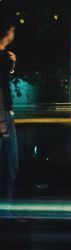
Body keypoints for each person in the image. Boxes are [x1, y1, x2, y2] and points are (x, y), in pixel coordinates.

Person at [0, 17, 17, 198]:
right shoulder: (4, 57)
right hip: (3, 114)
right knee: (9, 164)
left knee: (10, 164)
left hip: (6, 114)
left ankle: (7, 210)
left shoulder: (6, 57)